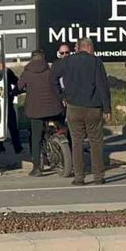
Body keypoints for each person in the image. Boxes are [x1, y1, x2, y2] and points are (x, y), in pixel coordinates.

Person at [51, 37, 111, 185]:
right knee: (95, 142)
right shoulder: (96, 62)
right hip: (93, 107)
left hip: (74, 107)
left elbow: (53, 78)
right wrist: (107, 108)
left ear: (78, 47)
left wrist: (62, 96)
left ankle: (79, 177)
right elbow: (102, 86)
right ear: (89, 47)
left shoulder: (67, 61)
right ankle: (98, 176)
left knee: (77, 142)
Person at [17, 49, 65, 177]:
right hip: (55, 109)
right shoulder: (50, 71)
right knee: (63, 129)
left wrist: (15, 91)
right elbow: (58, 85)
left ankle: (37, 167)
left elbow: (19, 87)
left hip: (36, 111)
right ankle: (69, 156)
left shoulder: (27, 73)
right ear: (43, 58)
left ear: (32, 58)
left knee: (36, 138)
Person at [0, 57, 23, 154]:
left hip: (7, 103)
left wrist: (15, 91)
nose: (2, 65)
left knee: (13, 126)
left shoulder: (7, 72)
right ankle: (0, 147)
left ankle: (18, 148)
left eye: (2, 63)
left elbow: (16, 81)